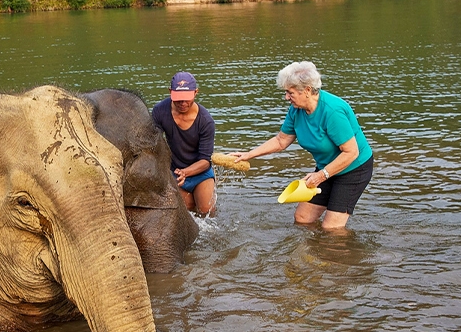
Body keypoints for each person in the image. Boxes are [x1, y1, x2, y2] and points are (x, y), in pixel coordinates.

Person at [231, 61, 374, 230]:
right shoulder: (296, 110)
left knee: (331, 228)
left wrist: (321, 176)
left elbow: (351, 152)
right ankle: (311, 251)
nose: (286, 97)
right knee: (302, 218)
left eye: (290, 93)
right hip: (326, 168)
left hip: (353, 169)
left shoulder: (332, 111)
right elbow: (281, 141)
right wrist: (249, 154)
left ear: (307, 90)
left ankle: (338, 254)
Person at [152, 71, 217, 217]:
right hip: (174, 172)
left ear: (196, 93)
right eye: (178, 99)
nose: (183, 103)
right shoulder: (160, 111)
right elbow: (153, 144)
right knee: (182, 213)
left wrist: (185, 172)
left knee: (207, 213)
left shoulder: (206, 121)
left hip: (201, 173)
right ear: (170, 92)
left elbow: (205, 161)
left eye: (187, 99)